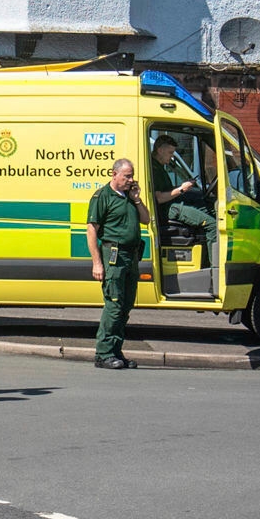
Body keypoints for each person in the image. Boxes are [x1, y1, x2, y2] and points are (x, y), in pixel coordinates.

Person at [86, 155, 146, 370]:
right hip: (114, 255)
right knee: (114, 304)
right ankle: (103, 354)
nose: (130, 180)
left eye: (132, 177)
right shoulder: (102, 196)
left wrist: (137, 198)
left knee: (126, 306)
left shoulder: (130, 196)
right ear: (114, 174)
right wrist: (97, 263)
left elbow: (146, 219)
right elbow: (92, 229)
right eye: (127, 176)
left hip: (131, 256)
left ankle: (116, 351)